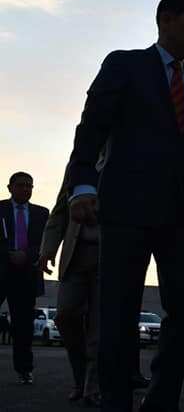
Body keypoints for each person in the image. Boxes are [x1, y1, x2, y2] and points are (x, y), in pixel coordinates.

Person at [66, 0, 184, 412]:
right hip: (126, 208)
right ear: (165, 20)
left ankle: (162, 398)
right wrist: (83, 185)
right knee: (118, 309)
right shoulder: (125, 65)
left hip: (181, 217)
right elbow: (91, 128)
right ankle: (115, 400)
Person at [39, 163, 105, 406]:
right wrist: (48, 250)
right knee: (65, 315)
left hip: (110, 258)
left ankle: (91, 386)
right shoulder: (79, 162)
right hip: (75, 256)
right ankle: (80, 376)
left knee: (99, 328)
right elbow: (59, 212)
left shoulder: (128, 152)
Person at [0, 171, 49, 385]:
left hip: (26, 275)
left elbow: (46, 243)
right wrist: (8, 254)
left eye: (29, 185)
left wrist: (26, 255)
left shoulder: (41, 213)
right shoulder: (0, 209)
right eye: (20, 185)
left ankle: (24, 370)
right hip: (1, 270)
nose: (25, 189)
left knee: (23, 326)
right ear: (10, 187)